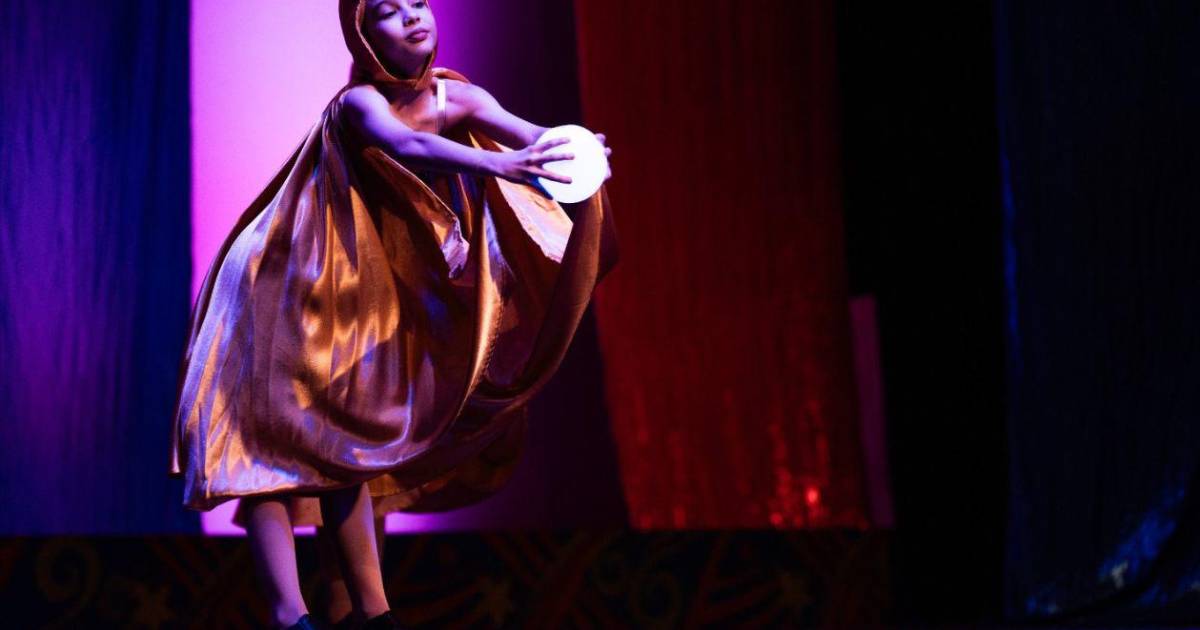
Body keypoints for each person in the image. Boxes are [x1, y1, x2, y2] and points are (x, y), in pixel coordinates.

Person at [167, 0, 619, 628]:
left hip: (347, 290)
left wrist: (576, 151)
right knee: (260, 452)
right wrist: (497, 163)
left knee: (345, 444)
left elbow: (533, 139)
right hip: (277, 278)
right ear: (362, 36)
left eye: (418, 2)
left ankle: (373, 612)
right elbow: (407, 143)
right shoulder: (359, 104)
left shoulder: (459, 97)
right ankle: (289, 615)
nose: (411, 16)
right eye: (387, 10)